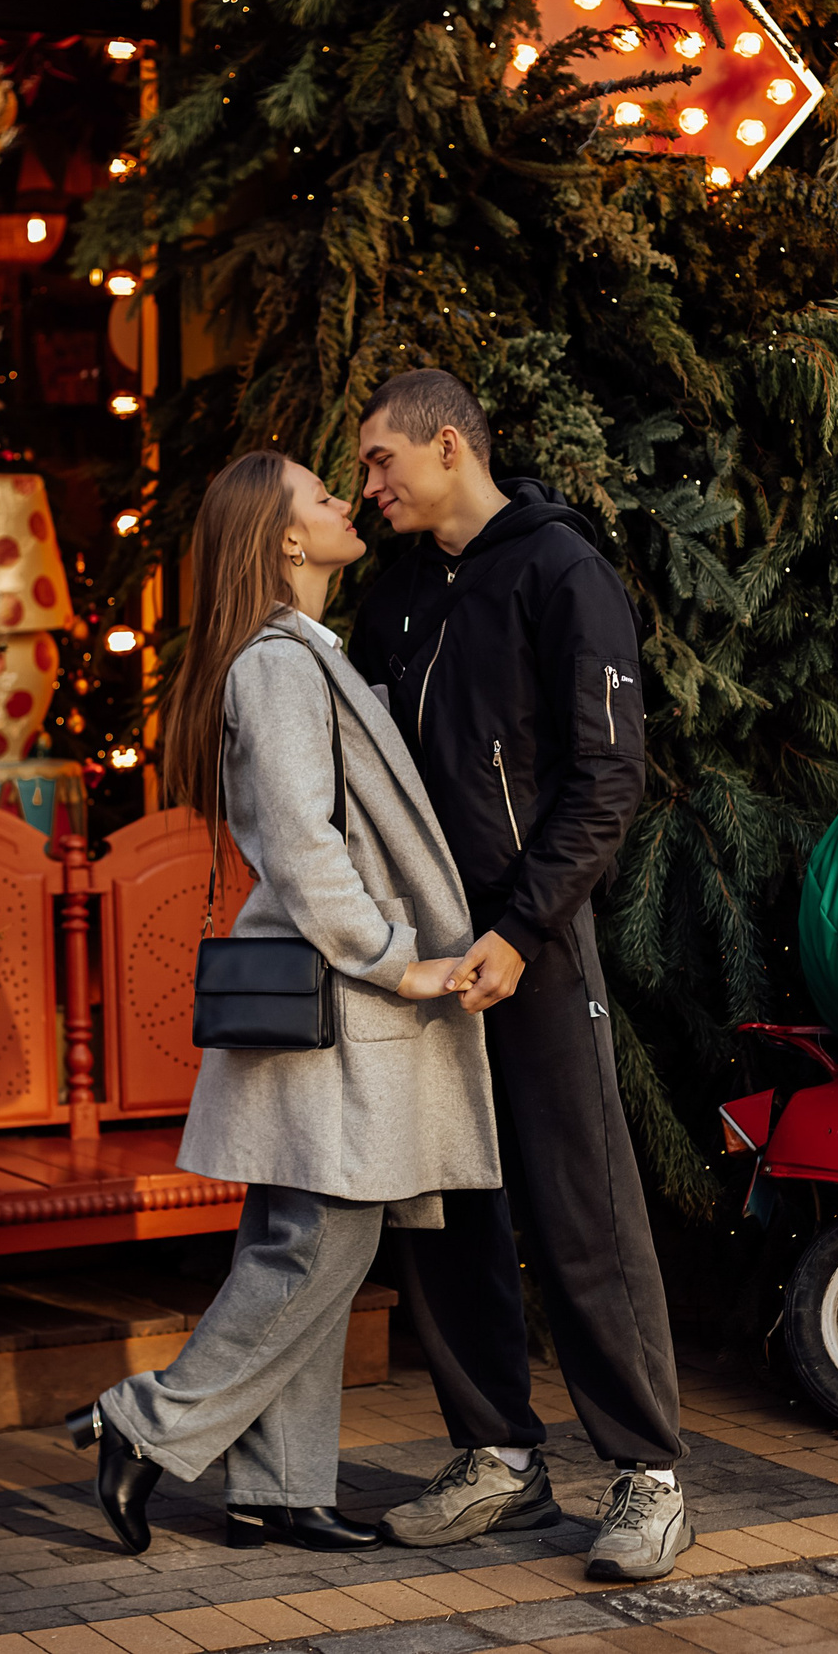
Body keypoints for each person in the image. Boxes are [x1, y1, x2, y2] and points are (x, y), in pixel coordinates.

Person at [67, 449, 500, 1556]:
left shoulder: (307, 655)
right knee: (318, 1248)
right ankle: (143, 1422)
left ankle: (278, 1487)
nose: (346, 500)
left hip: (330, 1007)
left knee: (300, 1242)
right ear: (286, 538)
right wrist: (396, 958)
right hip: (340, 999)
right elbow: (305, 848)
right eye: (321, 495)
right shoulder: (278, 666)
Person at [346, 370, 692, 1582]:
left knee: (580, 1207)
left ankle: (649, 1478)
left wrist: (525, 927)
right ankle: (497, 1456)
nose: (370, 485)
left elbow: (607, 777)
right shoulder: (395, 598)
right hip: (421, 957)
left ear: (449, 447)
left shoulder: (561, 571)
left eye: (383, 460)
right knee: (446, 1214)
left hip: (527, 947)